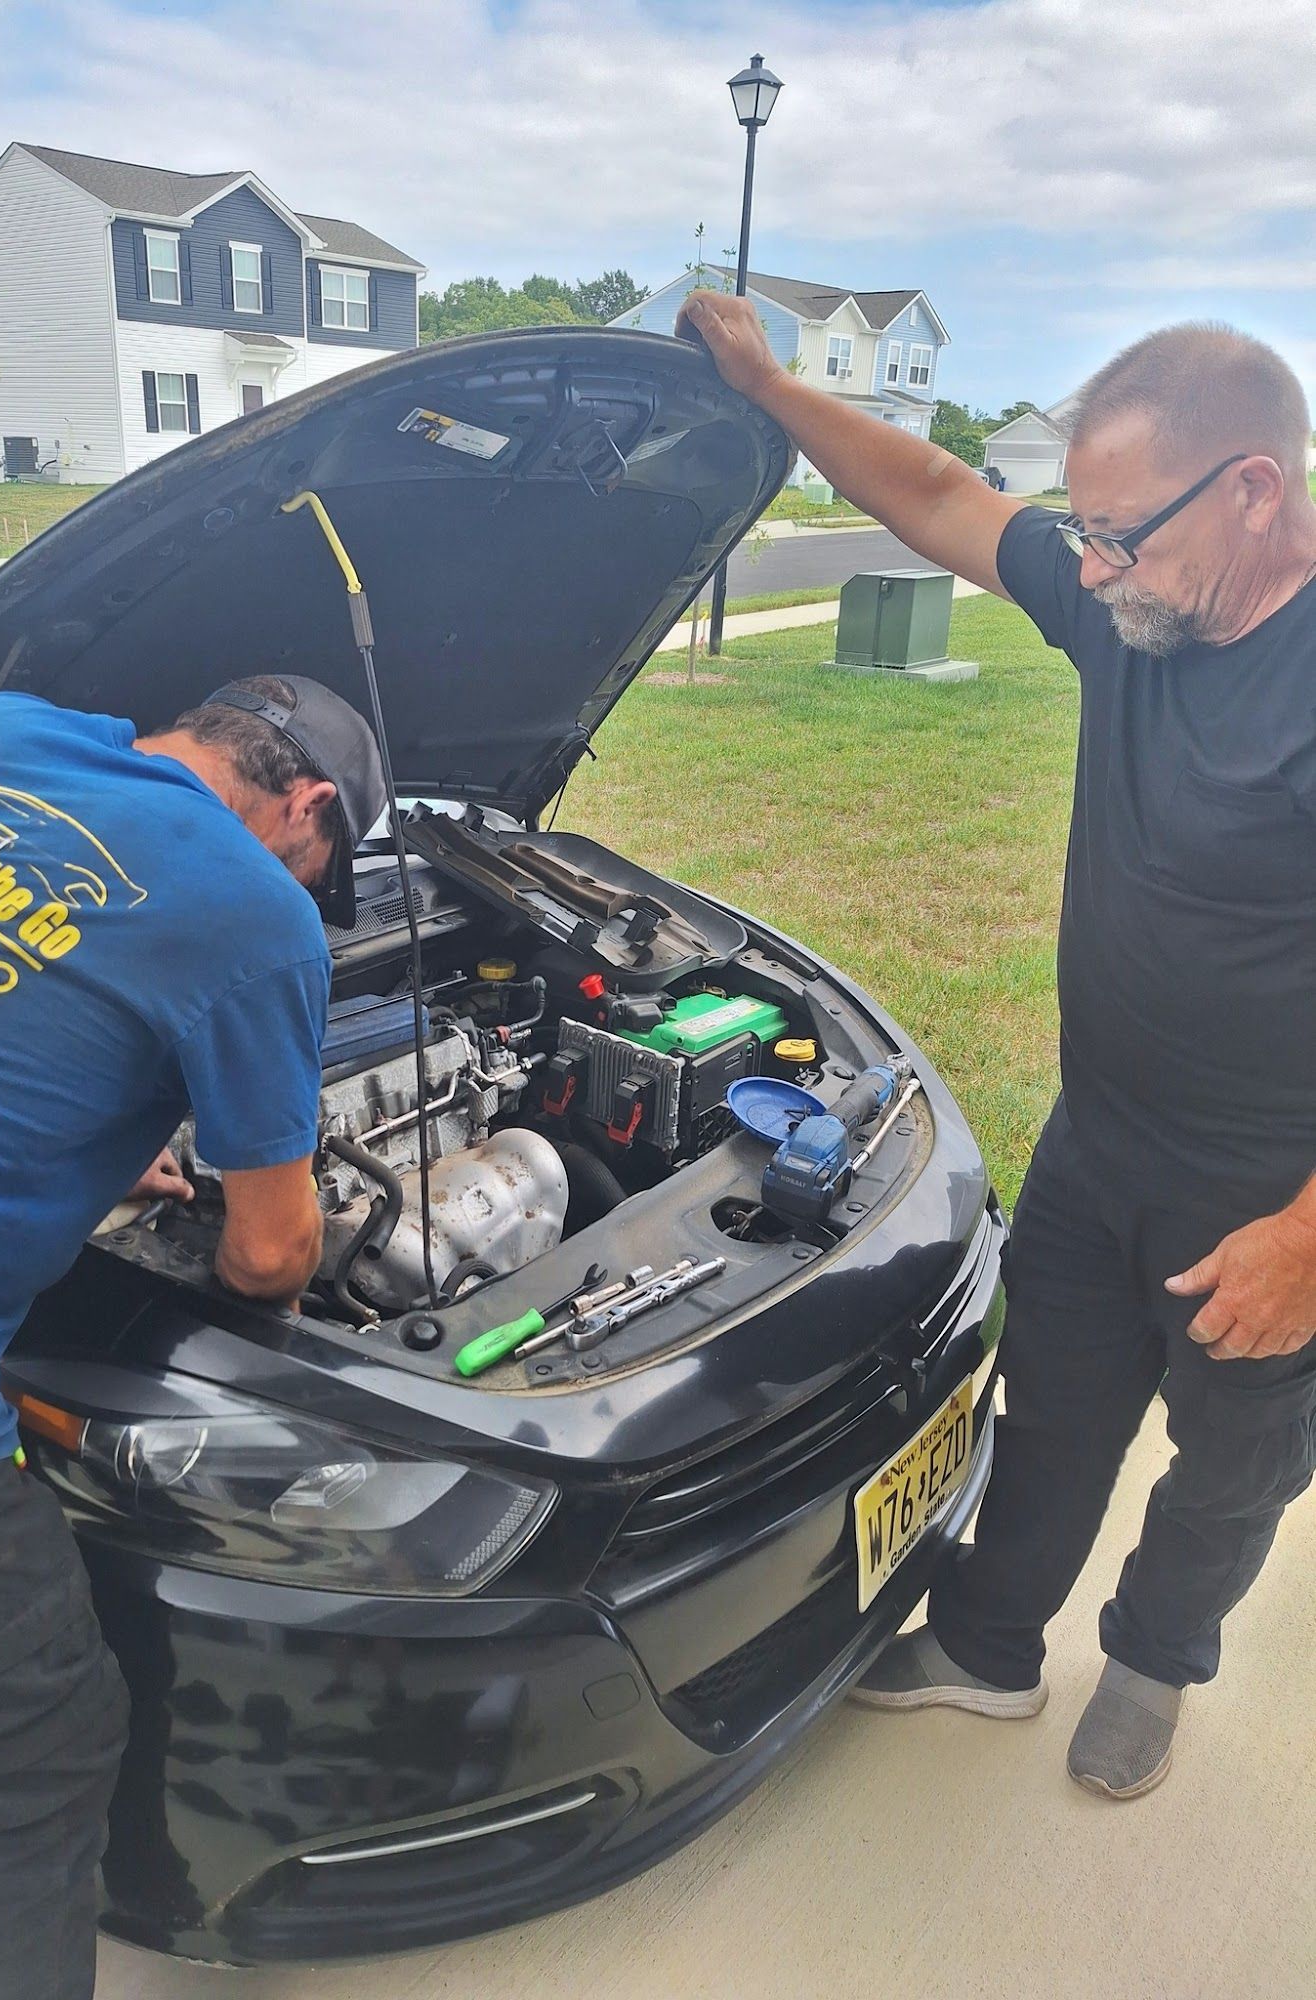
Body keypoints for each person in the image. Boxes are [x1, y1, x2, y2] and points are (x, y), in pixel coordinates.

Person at [679, 292, 1316, 1800]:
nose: (1091, 571)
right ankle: (987, 1649)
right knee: (1052, 1412)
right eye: (1083, 535)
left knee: (1227, 1476)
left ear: (1256, 492)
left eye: (1120, 537)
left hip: (1269, 1198)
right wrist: (770, 386)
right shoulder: (1142, 602)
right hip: (1099, 1145)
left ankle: (1158, 1661)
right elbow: (940, 494)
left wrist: (1307, 1234)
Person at [0, 672, 385, 1998]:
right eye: (319, 870)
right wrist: (277, 1323)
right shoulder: (254, 921)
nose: (308, 901)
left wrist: (71, 1130)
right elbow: (271, 1248)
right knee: (26, 1763)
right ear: (306, 803)